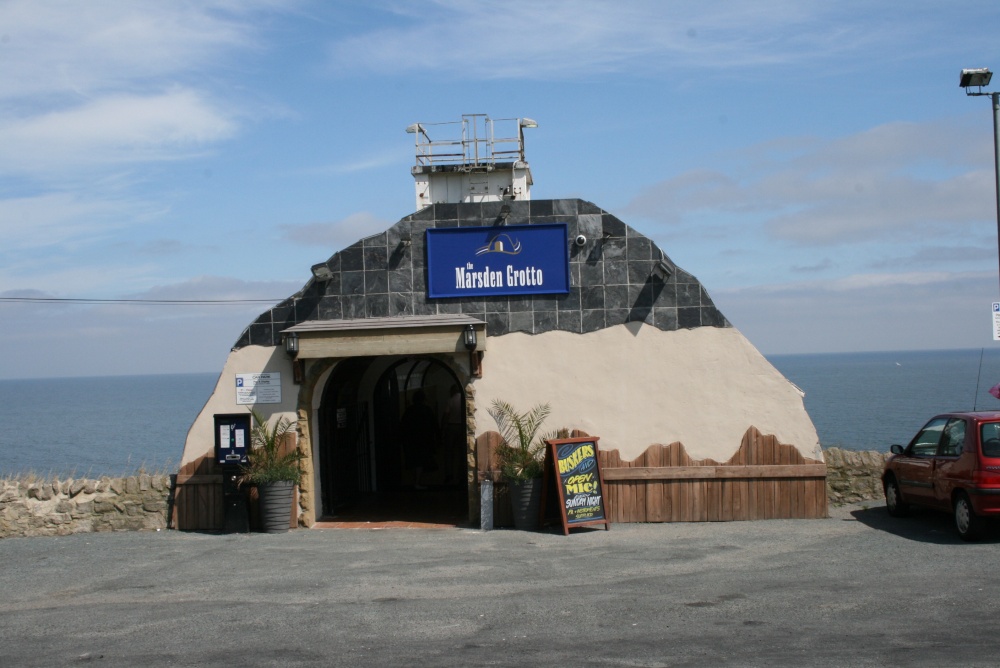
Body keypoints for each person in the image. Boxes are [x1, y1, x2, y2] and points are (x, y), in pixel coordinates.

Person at [400, 390, 438, 489]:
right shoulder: (427, 410)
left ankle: (415, 481)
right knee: (421, 462)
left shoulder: (409, 410)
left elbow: (403, 425)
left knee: (414, 461)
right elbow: (434, 425)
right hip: (424, 439)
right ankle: (417, 482)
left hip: (411, 440)